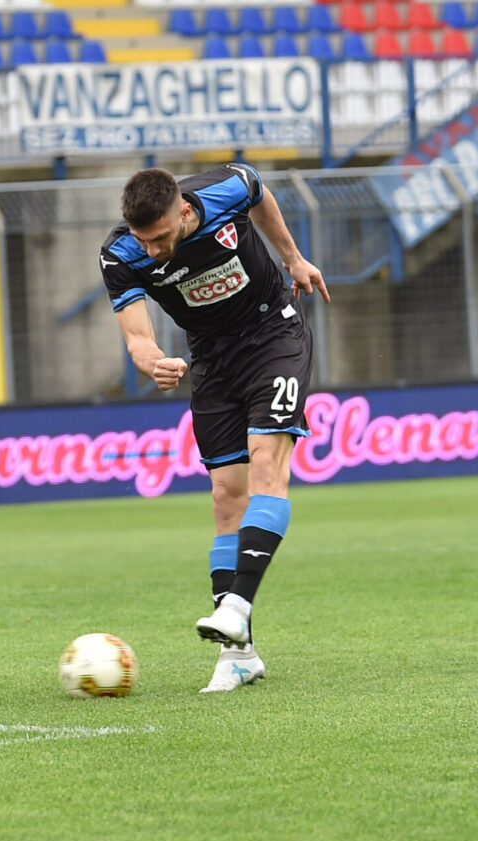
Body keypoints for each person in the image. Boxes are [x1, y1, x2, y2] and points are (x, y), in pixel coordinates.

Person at [99, 165, 330, 694]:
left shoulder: (225, 188)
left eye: (161, 237)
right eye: (143, 240)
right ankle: (239, 656)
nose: (153, 250)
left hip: (275, 337)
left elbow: (259, 191)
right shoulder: (121, 254)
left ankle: (237, 606)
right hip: (211, 361)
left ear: (184, 211)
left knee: (267, 462)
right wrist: (153, 362)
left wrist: (293, 258)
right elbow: (137, 338)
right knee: (227, 497)